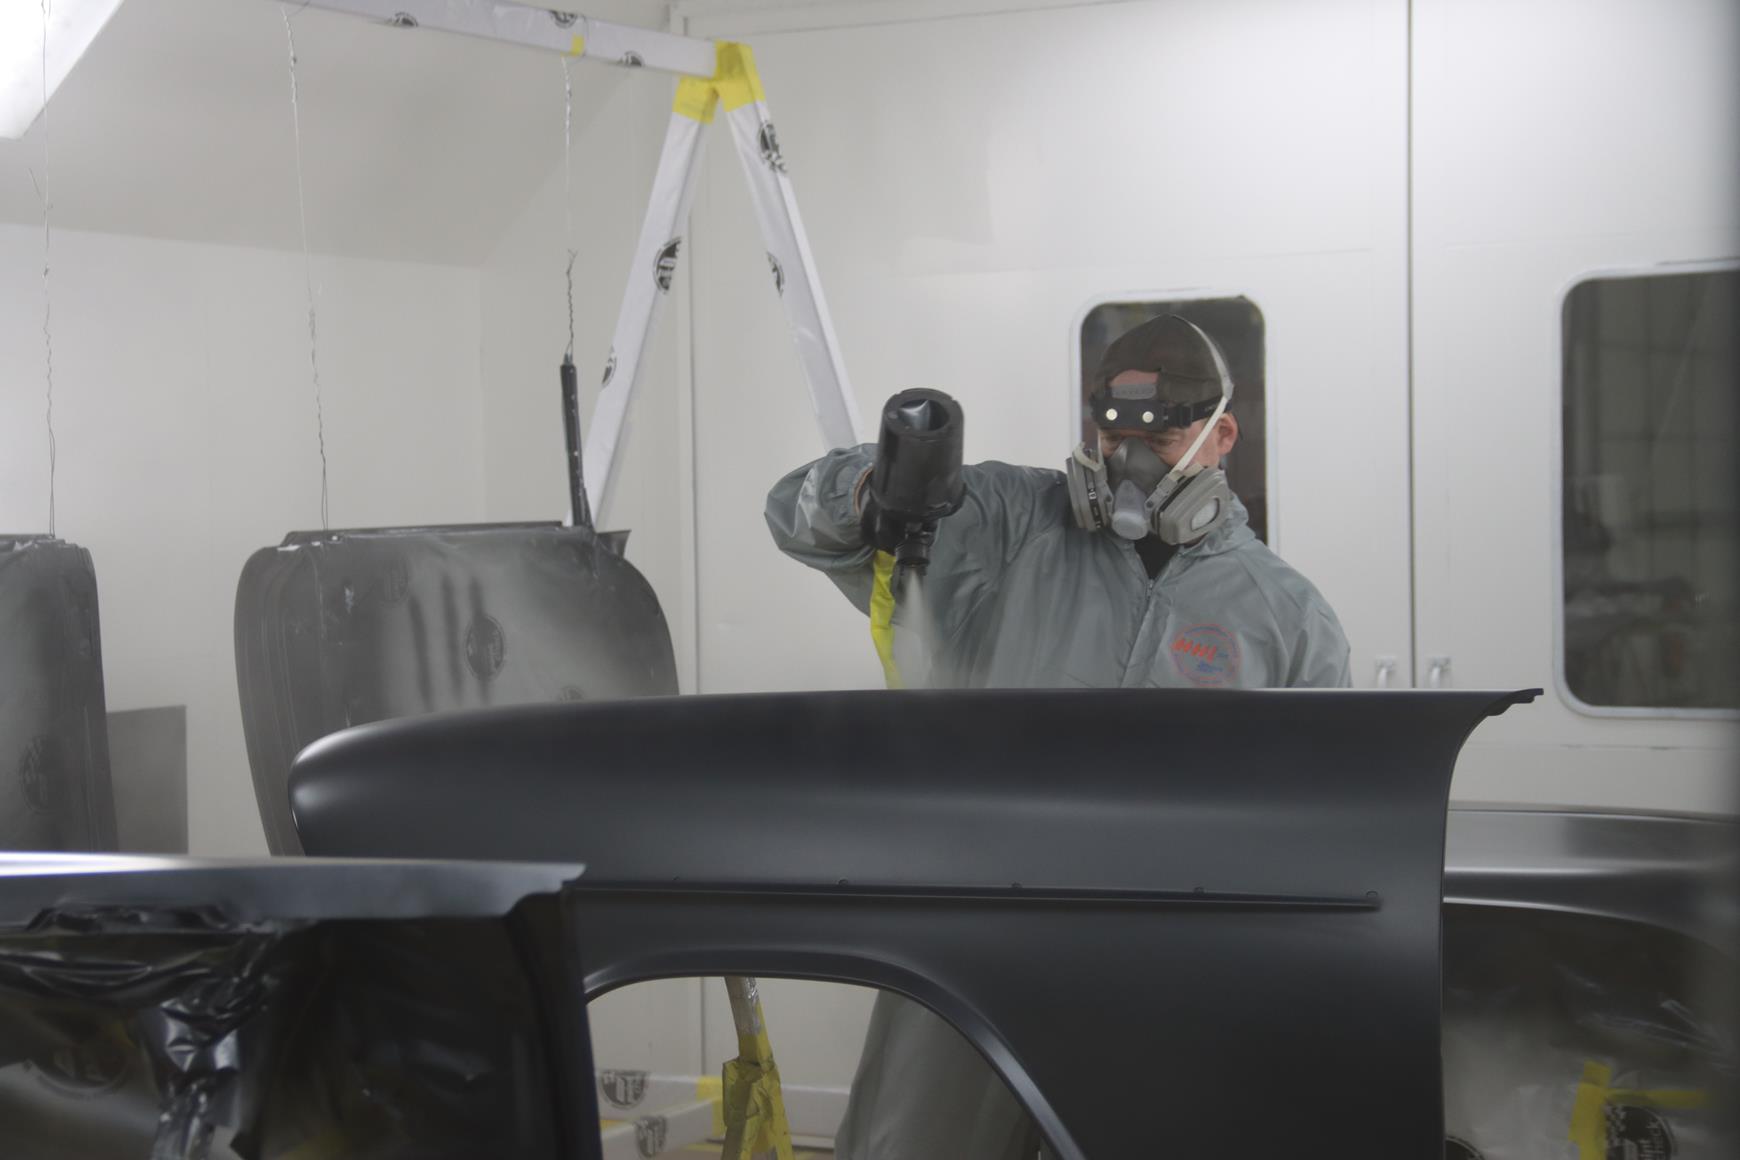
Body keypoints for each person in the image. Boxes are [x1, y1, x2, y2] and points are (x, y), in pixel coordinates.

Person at [764, 313, 1351, 1159]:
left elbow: (1319, 831)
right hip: (971, 937)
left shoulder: (1287, 618)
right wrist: (878, 490)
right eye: (1113, 436)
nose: (1131, 461)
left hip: (1168, 968)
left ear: (1220, 436)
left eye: (1163, 436)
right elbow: (794, 512)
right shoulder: (1013, 525)